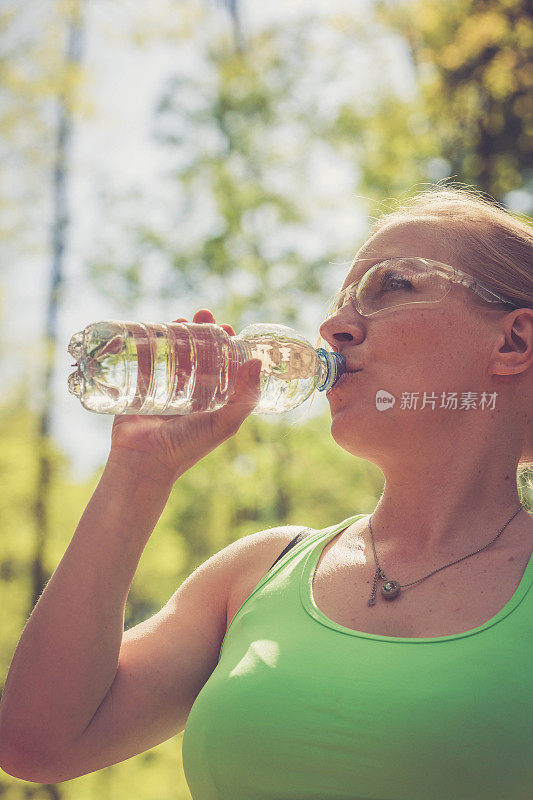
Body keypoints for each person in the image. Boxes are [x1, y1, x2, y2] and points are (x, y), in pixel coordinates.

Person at [0, 187, 532, 800]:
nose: (333, 327)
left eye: (392, 286)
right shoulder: (261, 574)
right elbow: (36, 742)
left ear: (512, 342)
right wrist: (139, 472)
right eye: (340, 302)